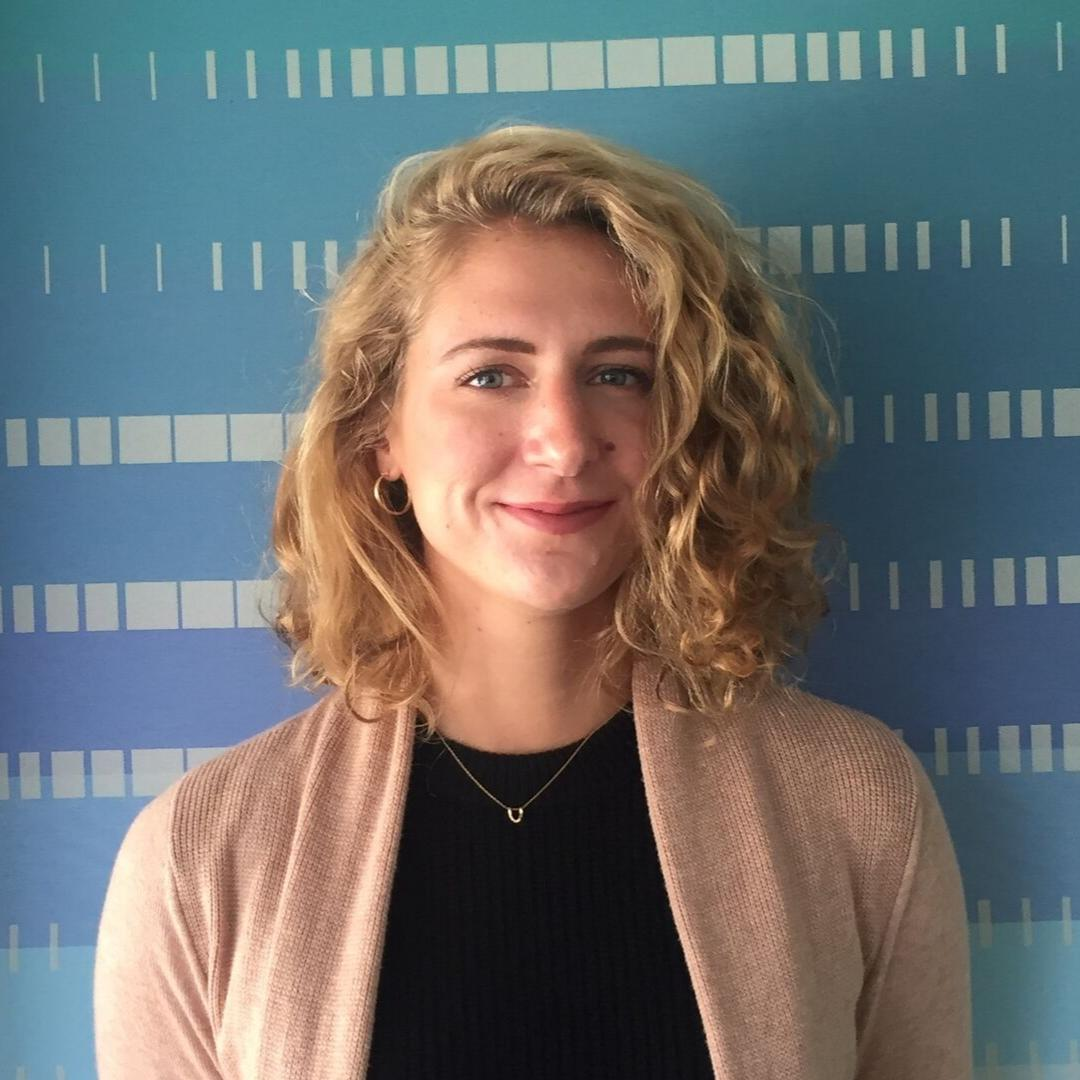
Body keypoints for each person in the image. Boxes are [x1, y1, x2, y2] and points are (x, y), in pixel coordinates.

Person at [93, 121, 973, 1078]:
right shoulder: (202, 854)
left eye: (618, 375)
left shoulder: (856, 803)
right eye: (491, 375)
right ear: (381, 432)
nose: (563, 439)